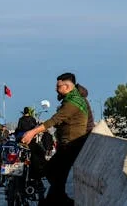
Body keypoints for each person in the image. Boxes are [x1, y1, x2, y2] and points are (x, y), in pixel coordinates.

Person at [22, 73, 90, 205]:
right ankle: (61, 200)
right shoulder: (73, 99)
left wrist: (32, 132)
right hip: (68, 146)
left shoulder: (73, 103)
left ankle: (59, 201)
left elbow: (54, 120)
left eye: (58, 86)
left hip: (71, 146)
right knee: (53, 174)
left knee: (54, 174)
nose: (56, 89)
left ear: (67, 87)